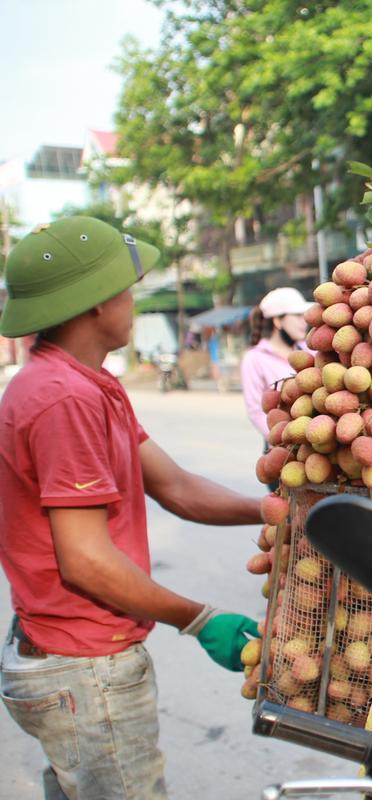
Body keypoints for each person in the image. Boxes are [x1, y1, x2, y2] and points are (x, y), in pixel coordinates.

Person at [0, 217, 267, 799]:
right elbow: (85, 561)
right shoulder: (60, 399)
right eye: (126, 289)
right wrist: (197, 618)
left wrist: (273, 513)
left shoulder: (92, 384)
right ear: (94, 304)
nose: (132, 300)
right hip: (83, 670)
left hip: (74, 663)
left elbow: (175, 486)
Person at [240, 287, 310, 440]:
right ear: (278, 321)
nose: (303, 321)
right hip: (282, 442)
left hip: (314, 434)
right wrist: (282, 438)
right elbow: (255, 410)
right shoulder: (254, 358)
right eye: (297, 315)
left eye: (304, 315)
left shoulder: (310, 350)